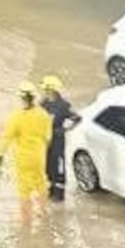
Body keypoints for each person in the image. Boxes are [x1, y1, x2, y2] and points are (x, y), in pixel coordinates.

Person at [0, 81, 52, 219]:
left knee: (24, 188)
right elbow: (48, 137)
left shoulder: (17, 117)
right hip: (39, 156)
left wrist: (0, 154)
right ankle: (43, 211)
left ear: (22, 98)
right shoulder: (43, 114)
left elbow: (7, 137)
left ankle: (26, 217)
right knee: (41, 182)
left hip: (23, 158)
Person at [39, 75, 80, 204]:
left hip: (57, 139)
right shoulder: (43, 104)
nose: (44, 92)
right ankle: (50, 189)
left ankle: (59, 193)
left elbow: (76, 118)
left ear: (52, 90)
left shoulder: (64, 105)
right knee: (47, 165)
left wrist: (65, 129)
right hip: (45, 139)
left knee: (58, 165)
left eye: (46, 89)